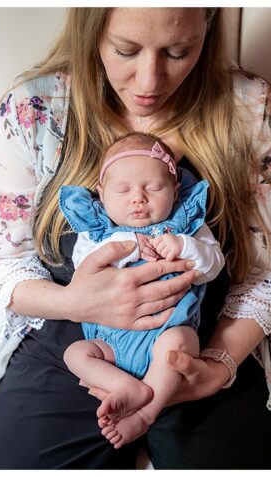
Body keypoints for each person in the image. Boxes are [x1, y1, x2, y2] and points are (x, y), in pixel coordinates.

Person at [0, 8, 271, 468]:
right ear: (91, 33)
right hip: (70, 342)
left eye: (178, 52)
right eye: (126, 51)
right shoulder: (35, 107)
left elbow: (270, 271)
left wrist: (218, 365)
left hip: (197, 344)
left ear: (207, 30)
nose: (150, 80)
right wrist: (74, 302)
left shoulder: (244, 106)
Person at [61, 133, 224, 449]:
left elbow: (214, 265)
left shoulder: (187, 226)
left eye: (153, 188)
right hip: (110, 342)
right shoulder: (97, 232)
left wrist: (185, 247)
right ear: (102, 194)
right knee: (76, 354)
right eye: (123, 190)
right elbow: (85, 271)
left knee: (179, 344)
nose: (138, 198)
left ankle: (145, 414)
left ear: (175, 190)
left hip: (167, 334)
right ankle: (125, 386)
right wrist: (127, 246)